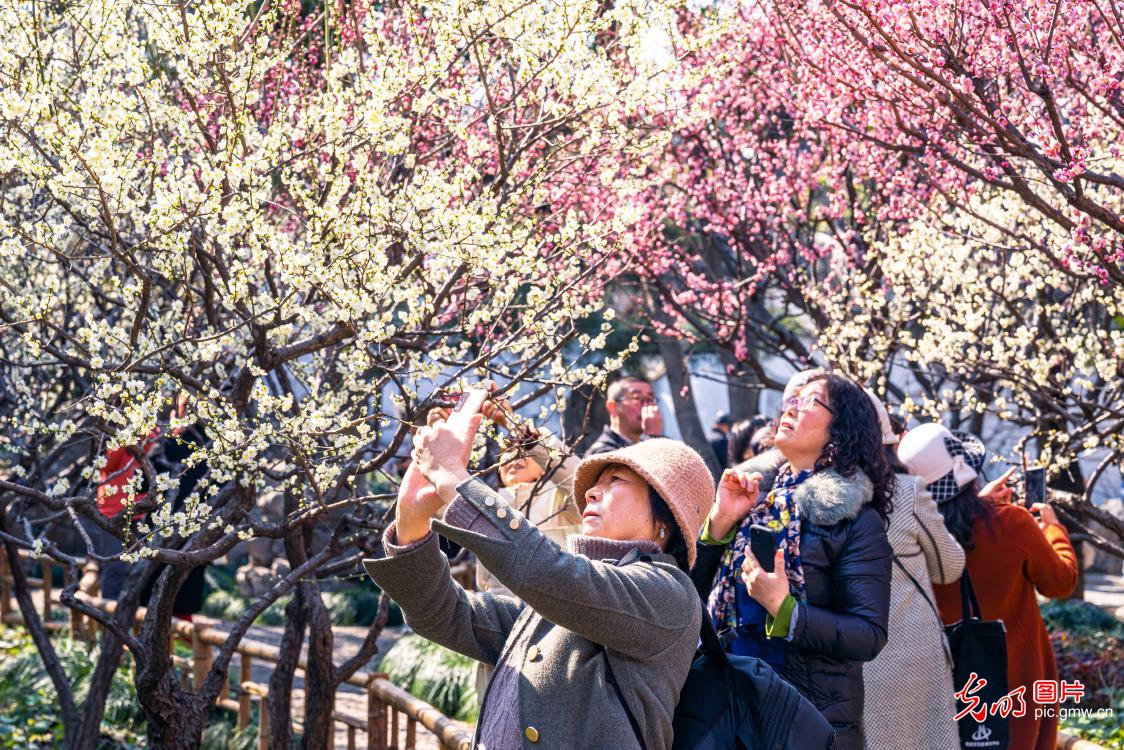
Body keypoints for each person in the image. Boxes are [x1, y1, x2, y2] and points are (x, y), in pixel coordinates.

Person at [364, 388, 711, 749]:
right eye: (597, 482)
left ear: (663, 522)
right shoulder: (556, 597)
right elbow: (443, 614)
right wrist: (410, 520)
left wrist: (454, 479)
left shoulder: (668, 592)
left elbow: (550, 573)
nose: (592, 491)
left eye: (616, 481)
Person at [693, 372, 894, 750]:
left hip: (807, 717)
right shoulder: (759, 502)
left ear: (841, 428)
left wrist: (785, 611)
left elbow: (869, 634)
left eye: (810, 401)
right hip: (730, 707)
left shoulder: (854, 520)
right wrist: (719, 523)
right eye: (791, 400)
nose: (791, 407)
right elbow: (688, 594)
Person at [899, 423, 1079, 750]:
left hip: (945, 685)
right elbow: (1060, 582)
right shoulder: (1011, 523)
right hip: (1016, 681)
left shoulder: (911, 537)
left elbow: (953, 527)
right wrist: (1053, 530)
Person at [861, 394, 963, 750]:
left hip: (843, 665)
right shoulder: (905, 492)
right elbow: (949, 567)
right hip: (910, 657)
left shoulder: (801, 497)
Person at [584, 375, 663, 456]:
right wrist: (653, 437)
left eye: (650, 399)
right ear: (612, 407)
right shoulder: (600, 453)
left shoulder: (644, 442)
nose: (646, 406)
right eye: (637, 398)